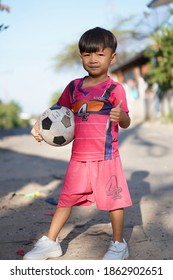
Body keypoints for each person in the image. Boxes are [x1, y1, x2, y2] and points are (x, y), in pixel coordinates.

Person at [23, 27, 132, 260]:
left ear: (112, 57)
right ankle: (51, 242)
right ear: (81, 56)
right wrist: (38, 127)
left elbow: (126, 121)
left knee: (114, 201)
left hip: (106, 156)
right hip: (79, 157)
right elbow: (54, 114)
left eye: (100, 54)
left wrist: (121, 117)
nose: (93, 59)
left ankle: (118, 244)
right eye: (87, 54)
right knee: (66, 199)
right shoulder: (74, 87)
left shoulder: (115, 89)